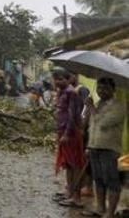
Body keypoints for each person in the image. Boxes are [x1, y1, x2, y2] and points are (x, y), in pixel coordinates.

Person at [81, 77, 125, 218]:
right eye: (99, 88)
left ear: (113, 90)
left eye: (105, 88)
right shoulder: (98, 104)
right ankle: (100, 208)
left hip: (109, 149)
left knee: (111, 181)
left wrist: (92, 108)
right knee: (98, 179)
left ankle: (110, 213)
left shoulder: (119, 106)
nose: (101, 91)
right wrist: (89, 146)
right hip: (95, 147)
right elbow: (91, 128)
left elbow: (104, 123)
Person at [51, 67, 86, 208]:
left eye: (60, 79)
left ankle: (76, 197)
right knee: (67, 164)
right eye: (55, 79)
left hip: (71, 135)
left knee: (75, 164)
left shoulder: (72, 93)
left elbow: (72, 116)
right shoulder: (61, 93)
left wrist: (66, 134)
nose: (57, 81)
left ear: (68, 79)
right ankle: (70, 193)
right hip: (62, 133)